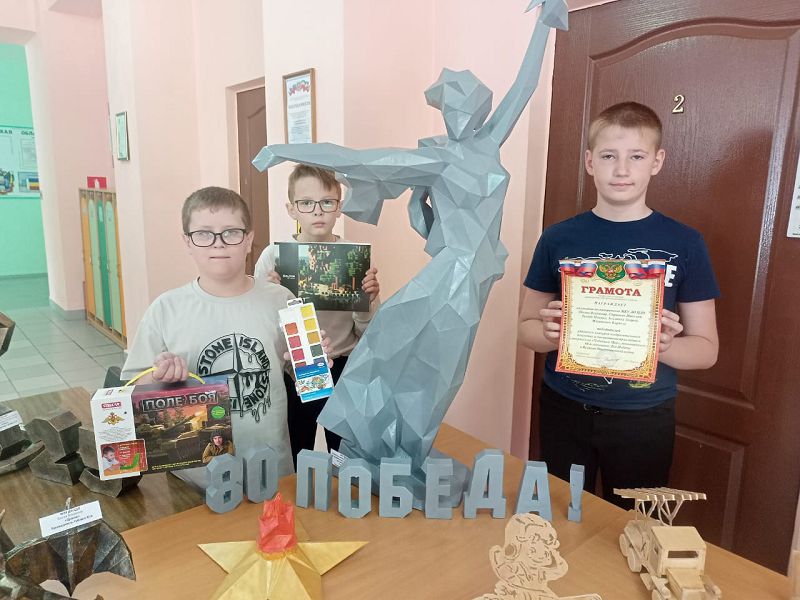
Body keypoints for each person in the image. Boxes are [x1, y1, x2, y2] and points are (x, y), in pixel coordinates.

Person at [518, 102, 720, 506]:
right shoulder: (558, 238)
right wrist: (550, 333)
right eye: (609, 156)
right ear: (590, 162)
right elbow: (525, 329)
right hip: (564, 409)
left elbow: (707, 349)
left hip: (644, 417)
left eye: (637, 157)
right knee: (562, 517)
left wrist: (662, 345)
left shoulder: (685, 243)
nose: (622, 169)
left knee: (634, 526)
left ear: (657, 162)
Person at [120, 186, 299, 489]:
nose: (218, 243)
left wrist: (315, 362)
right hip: (195, 477)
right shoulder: (166, 309)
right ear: (187, 242)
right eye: (204, 234)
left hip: (270, 467)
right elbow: (131, 389)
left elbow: (304, 376)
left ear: (249, 239)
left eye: (231, 232)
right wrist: (159, 379)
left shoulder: (282, 299)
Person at [254, 165, 380, 464]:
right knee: (297, 449)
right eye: (306, 203)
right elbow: (259, 327)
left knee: (344, 452)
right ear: (291, 209)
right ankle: (300, 490)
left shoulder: (353, 256)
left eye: (327, 202)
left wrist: (367, 301)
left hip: (343, 365)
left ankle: (344, 488)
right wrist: (269, 295)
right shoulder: (273, 257)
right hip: (294, 368)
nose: (317, 211)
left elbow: (368, 334)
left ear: (339, 207)